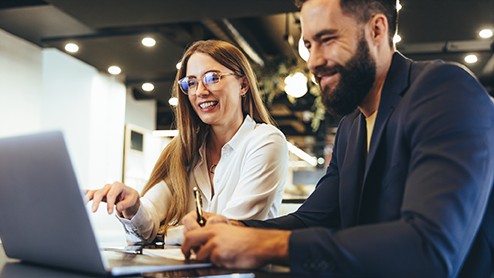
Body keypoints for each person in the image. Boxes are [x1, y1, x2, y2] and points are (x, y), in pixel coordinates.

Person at [180, 0, 494, 277]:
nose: (313, 61)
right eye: (308, 46)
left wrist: (269, 245)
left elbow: (430, 249)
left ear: (376, 29)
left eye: (326, 39)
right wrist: (234, 228)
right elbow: (313, 220)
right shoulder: (351, 126)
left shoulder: (445, 90)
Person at [86, 40, 288, 245]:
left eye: (212, 78)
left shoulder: (266, 141)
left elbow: (230, 230)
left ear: (243, 85)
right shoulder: (185, 151)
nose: (200, 91)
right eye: (191, 82)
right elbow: (147, 221)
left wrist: (161, 236)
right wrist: (133, 206)